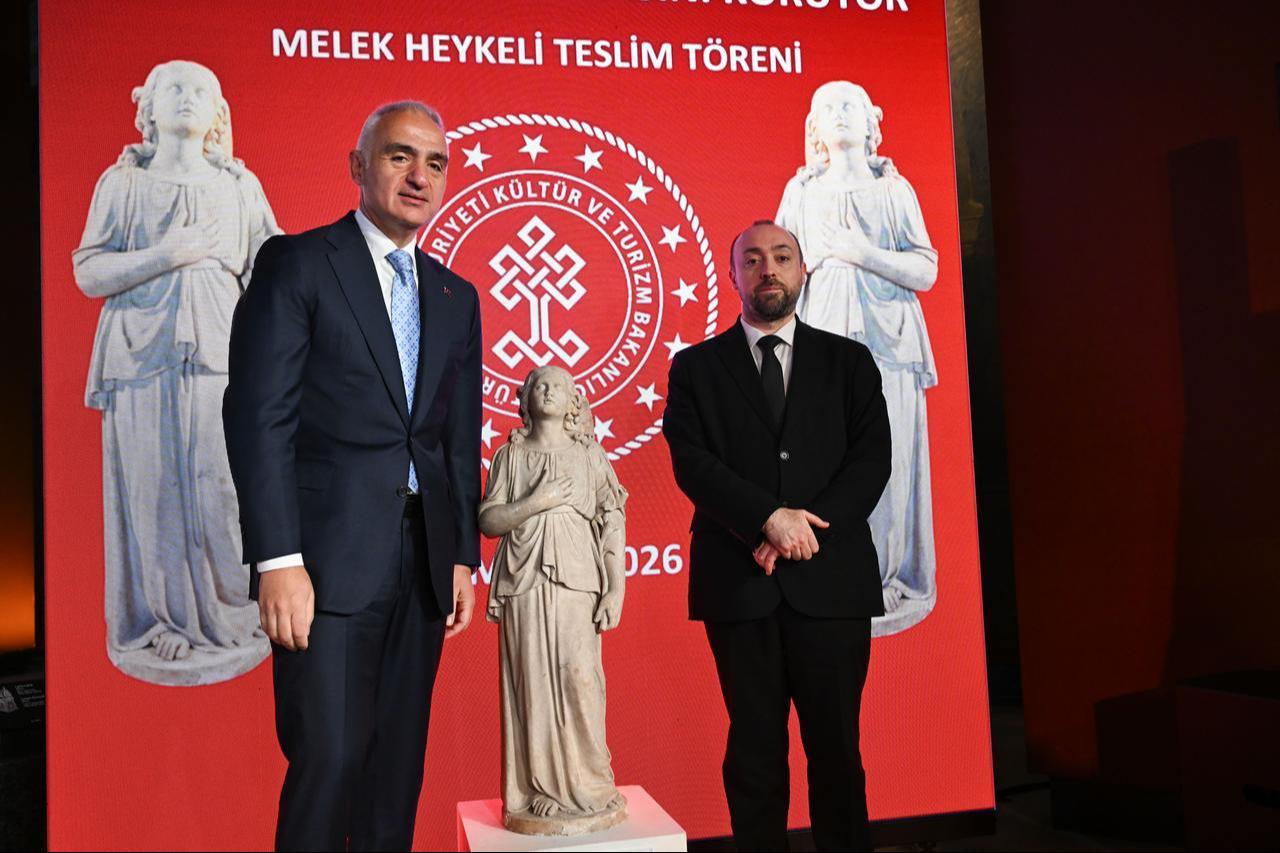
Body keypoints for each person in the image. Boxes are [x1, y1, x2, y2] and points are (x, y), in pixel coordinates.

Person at [222, 100, 482, 851]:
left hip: (424, 566)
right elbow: (259, 417)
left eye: (436, 162)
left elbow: (455, 439)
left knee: (393, 776)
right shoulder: (298, 263)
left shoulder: (455, 295)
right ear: (359, 167)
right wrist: (277, 560)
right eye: (401, 156)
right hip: (324, 564)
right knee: (329, 763)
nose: (420, 175)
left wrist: (461, 554)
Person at [663, 220, 891, 851]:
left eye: (783, 257)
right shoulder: (695, 368)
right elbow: (693, 463)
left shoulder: (850, 362)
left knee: (837, 753)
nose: (769, 269)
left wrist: (802, 530)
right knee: (754, 755)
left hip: (832, 585)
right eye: (754, 260)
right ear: (733, 276)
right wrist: (768, 519)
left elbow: (871, 461)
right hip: (740, 586)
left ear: (802, 269)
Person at [73, 59, 278, 683]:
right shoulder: (124, 185)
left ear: (218, 113)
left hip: (220, 349)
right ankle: (160, 621)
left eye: (200, 90)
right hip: (140, 354)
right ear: (149, 108)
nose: (187, 98)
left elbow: (273, 272)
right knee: (152, 489)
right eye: (174, 89)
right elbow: (89, 271)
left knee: (222, 485)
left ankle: (231, 610)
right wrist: (167, 254)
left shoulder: (240, 186)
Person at [776, 80, 939, 630]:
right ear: (814, 129)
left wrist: (860, 253)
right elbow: (778, 270)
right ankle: (829, 574)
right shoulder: (801, 193)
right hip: (821, 336)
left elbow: (926, 268)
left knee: (888, 461)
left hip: (891, 340)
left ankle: (884, 579)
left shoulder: (893, 190)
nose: (839, 114)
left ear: (872, 122)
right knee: (824, 459)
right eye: (828, 108)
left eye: (850, 105)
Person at [479, 365, 628, 834]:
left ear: (573, 402)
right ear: (526, 399)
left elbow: (612, 518)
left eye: (558, 386)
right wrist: (537, 502)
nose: (548, 390)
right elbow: (489, 520)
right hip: (524, 579)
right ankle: (539, 787)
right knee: (534, 682)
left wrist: (616, 586)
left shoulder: (589, 455)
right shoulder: (510, 456)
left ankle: (591, 784)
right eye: (539, 385)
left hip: (578, 576)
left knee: (581, 679)